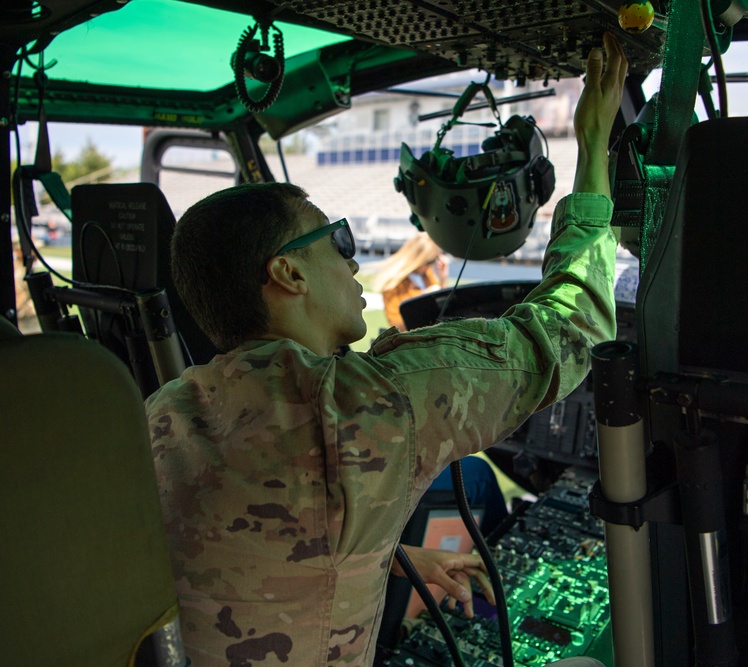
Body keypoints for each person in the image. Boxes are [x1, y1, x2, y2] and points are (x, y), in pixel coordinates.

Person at [146, 32, 627, 667]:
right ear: (289, 274)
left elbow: (257, 535)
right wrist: (593, 148)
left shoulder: (164, 412)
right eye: (335, 239)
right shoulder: (366, 407)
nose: (351, 263)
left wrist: (392, 556)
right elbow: (571, 329)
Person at [369, 233, 449, 331]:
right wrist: (423, 300)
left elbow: (443, 309)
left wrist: (443, 279)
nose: (431, 266)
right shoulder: (393, 285)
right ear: (417, 260)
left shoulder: (426, 274)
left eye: (434, 261)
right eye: (429, 262)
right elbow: (398, 326)